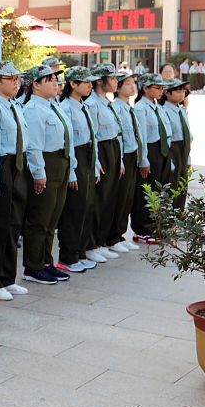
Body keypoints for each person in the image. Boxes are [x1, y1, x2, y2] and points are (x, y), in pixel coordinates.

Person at [0, 61, 30, 301]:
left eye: (17, 77)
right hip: (2, 166)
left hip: (18, 165)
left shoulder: (15, 105)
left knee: (14, 224)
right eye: (10, 78)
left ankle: (8, 278)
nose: (16, 81)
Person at [20, 64, 73, 285]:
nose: (55, 82)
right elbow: (33, 146)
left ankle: (45, 261)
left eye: (55, 79)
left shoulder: (52, 106)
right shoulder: (33, 109)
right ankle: (32, 267)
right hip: (46, 163)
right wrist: (39, 173)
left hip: (60, 161)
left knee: (52, 218)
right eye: (49, 79)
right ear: (35, 85)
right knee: (39, 218)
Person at [55, 66, 101, 274]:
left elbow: (93, 137)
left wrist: (96, 164)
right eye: (86, 82)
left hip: (88, 158)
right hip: (76, 159)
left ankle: (80, 252)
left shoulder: (84, 106)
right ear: (72, 84)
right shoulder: (65, 108)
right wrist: (72, 171)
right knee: (73, 210)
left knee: (87, 206)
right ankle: (68, 256)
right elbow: (69, 143)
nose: (91, 85)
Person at [83, 63, 123, 265]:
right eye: (113, 78)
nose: (116, 82)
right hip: (102, 151)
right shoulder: (92, 104)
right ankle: (92, 244)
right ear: (100, 80)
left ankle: (101, 242)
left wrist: (120, 160)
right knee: (98, 200)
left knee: (110, 198)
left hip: (113, 149)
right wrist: (97, 161)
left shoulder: (107, 102)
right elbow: (93, 137)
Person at [105, 70, 145, 253]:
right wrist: (120, 161)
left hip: (132, 155)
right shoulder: (115, 108)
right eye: (127, 84)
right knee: (120, 198)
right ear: (118, 87)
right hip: (123, 156)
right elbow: (118, 138)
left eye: (133, 83)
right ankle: (112, 237)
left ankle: (120, 234)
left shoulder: (130, 107)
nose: (132, 87)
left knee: (128, 197)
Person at [131, 75, 171, 244]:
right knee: (145, 193)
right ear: (145, 88)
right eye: (157, 88)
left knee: (158, 190)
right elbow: (141, 137)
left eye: (162, 88)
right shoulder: (141, 108)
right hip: (150, 151)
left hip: (161, 151)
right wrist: (143, 160)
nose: (161, 91)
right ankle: (142, 230)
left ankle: (155, 228)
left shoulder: (157, 106)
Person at [161, 78, 192, 210]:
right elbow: (165, 137)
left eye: (183, 91)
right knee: (171, 185)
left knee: (182, 185)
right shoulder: (163, 110)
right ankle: (167, 220)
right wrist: (170, 161)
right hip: (172, 149)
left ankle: (177, 217)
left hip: (183, 150)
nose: (181, 94)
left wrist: (188, 157)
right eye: (178, 91)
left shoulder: (182, 110)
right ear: (167, 93)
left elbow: (188, 135)